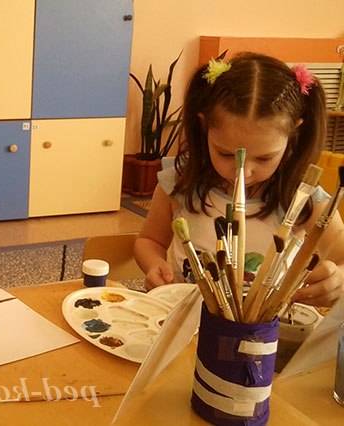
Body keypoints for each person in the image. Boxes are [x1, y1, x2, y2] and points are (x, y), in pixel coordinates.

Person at [135, 51, 344, 308]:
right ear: (204, 127)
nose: (242, 172)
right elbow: (150, 240)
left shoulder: (303, 197)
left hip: (266, 327)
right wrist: (155, 264)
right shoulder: (179, 184)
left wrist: (338, 279)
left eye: (264, 158)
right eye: (225, 154)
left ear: (293, 134)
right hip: (185, 318)